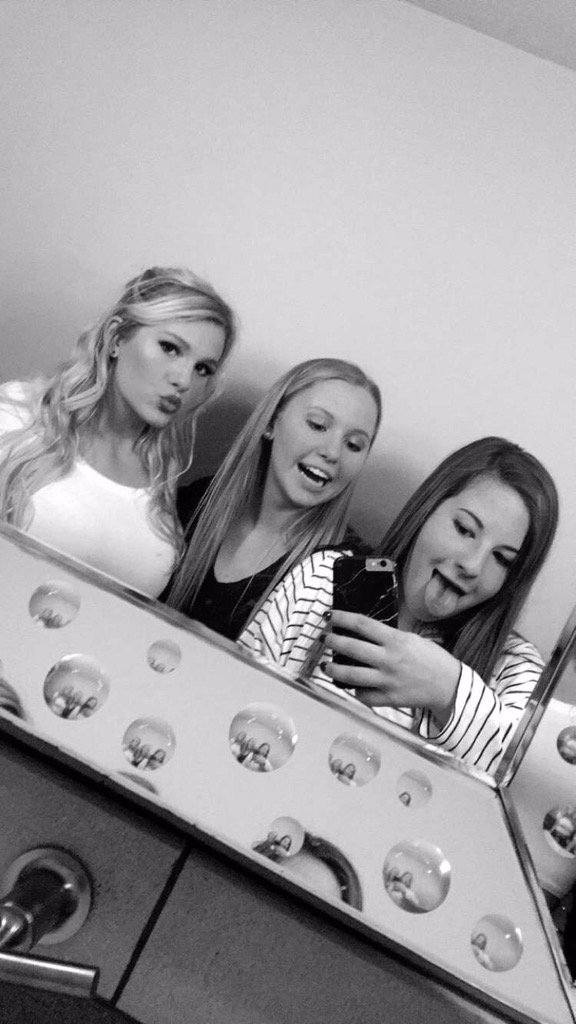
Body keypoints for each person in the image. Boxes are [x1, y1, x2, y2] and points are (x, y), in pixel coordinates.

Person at [239, 437, 559, 774]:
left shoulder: (515, 668)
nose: (473, 565)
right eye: (464, 529)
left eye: (503, 559)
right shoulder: (323, 578)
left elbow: (525, 781)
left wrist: (448, 690)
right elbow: (240, 695)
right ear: (427, 510)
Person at [0, 266, 236, 597]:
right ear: (117, 338)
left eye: (203, 369)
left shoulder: (163, 472)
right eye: (170, 348)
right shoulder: (18, 417)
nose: (184, 380)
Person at [165, 358, 382, 638]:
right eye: (318, 425)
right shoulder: (197, 502)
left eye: (354, 445)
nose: (332, 453)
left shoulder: (354, 575)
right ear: (271, 422)